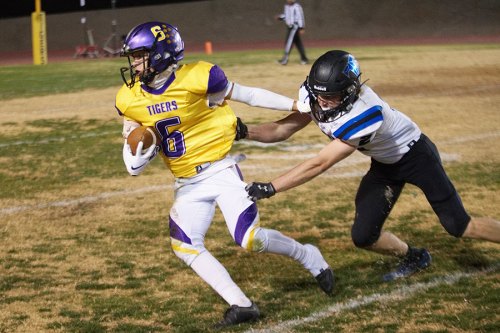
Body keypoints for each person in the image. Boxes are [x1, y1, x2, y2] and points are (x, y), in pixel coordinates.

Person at [114, 21, 333, 329]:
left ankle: (308, 255)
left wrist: (296, 104)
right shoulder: (128, 97)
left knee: (249, 239)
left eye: (139, 55)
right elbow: (132, 133)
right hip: (186, 182)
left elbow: (249, 95)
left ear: (161, 54)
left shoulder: (199, 76)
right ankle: (241, 304)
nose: (133, 63)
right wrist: (136, 147)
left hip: (220, 170)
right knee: (185, 245)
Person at [239, 50, 500, 282]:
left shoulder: (365, 113)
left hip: (417, 157)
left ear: (351, 90)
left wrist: (273, 186)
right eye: (319, 95)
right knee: (364, 236)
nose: (322, 102)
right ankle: (415, 257)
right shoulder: (318, 95)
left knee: (459, 226)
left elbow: (320, 163)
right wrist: (244, 132)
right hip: (385, 164)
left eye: (331, 96)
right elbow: (283, 128)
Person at [275, 0, 309, 65]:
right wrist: (280, 17)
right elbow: (287, 16)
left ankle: (284, 60)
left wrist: (301, 27)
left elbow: (300, 17)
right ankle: (304, 59)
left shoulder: (297, 6)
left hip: (294, 27)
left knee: (288, 42)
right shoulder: (286, 6)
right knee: (298, 43)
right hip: (289, 27)